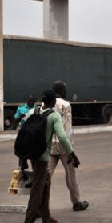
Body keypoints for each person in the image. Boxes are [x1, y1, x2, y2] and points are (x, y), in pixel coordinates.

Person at [22, 90, 80, 223]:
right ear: (53, 102)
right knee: (37, 188)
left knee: (46, 182)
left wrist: (22, 158)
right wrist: (72, 153)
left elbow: (24, 132)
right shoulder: (54, 116)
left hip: (32, 154)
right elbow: (62, 136)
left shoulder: (33, 111)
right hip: (42, 157)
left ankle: (46, 218)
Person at [48, 81, 89, 212]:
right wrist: (71, 151)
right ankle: (76, 203)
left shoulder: (45, 105)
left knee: (45, 176)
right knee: (71, 175)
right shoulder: (66, 105)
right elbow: (67, 128)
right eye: (65, 89)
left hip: (49, 146)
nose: (66, 91)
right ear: (61, 90)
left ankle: (40, 206)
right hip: (64, 146)